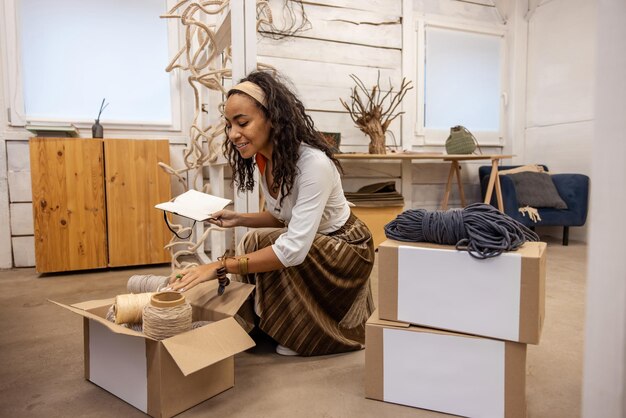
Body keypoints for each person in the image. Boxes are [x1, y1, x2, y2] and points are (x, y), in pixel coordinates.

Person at [167, 70, 375, 356]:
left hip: (347, 249)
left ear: (273, 119)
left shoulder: (313, 165)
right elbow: (285, 217)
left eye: (242, 123)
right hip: (316, 240)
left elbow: (293, 250)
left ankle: (305, 331)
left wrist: (218, 267)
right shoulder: (267, 160)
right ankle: (270, 323)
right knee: (253, 241)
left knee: (273, 248)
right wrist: (239, 218)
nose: (233, 134)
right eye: (229, 125)